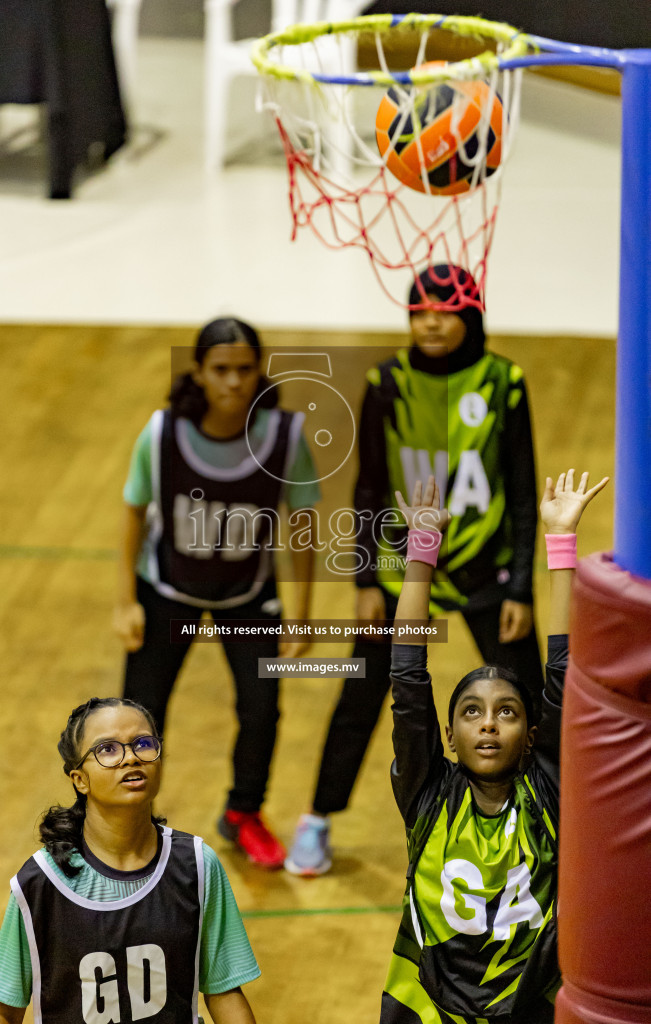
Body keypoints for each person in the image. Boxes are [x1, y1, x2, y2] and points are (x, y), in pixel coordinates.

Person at [286, 264, 544, 876]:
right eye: (420, 309)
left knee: (530, 698)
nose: (430, 321)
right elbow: (369, 486)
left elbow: (525, 489)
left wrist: (524, 585)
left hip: (488, 571)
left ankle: (543, 815)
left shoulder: (504, 382)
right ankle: (317, 819)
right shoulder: (385, 382)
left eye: (446, 310)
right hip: (405, 568)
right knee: (364, 694)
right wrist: (366, 580)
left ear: (471, 317)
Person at [380, 469, 608, 1023]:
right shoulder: (426, 790)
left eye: (507, 712)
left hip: (528, 1008)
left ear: (531, 736)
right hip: (427, 1009)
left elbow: (564, 673)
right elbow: (408, 678)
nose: (488, 724)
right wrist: (421, 554)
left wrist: (562, 543)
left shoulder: (549, 788)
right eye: (471, 712)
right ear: (449, 738)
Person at [114, 317, 319, 869]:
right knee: (140, 716)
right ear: (200, 373)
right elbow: (134, 511)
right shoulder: (160, 434)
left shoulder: (286, 437)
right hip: (166, 588)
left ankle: (243, 812)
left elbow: (302, 524)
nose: (234, 381)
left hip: (249, 592)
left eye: (245, 369)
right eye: (221, 369)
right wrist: (125, 600)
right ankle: (129, 823)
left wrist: (302, 614)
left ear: (259, 372)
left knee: (261, 710)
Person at [0, 696, 261, 1024]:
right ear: (79, 780)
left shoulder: (197, 865)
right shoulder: (42, 881)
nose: (131, 758)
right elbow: (5, 1013)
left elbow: (224, 991)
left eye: (143, 744)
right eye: (108, 749)